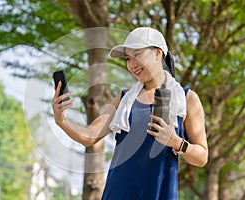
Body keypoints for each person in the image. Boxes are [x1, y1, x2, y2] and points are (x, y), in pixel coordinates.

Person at [52, 27, 208, 200]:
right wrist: (62, 120)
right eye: (128, 58)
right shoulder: (124, 99)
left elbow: (202, 157)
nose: (132, 65)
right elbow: (90, 135)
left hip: (158, 194)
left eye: (137, 55)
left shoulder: (186, 99)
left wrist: (177, 142)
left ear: (157, 53)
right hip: (118, 192)